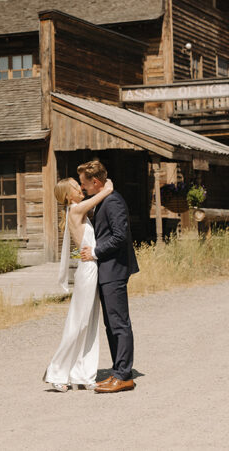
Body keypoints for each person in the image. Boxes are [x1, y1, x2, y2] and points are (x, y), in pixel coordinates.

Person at [43, 176, 115, 392]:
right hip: (88, 271)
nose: (80, 187)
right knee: (80, 321)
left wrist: (84, 253)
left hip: (91, 265)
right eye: (76, 186)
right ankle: (56, 370)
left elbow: (81, 243)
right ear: (68, 195)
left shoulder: (79, 211)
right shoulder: (75, 209)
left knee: (90, 322)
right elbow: (103, 194)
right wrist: (108, 186)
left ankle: (83, 373)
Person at [78, 159, 140, 394]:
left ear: (95, 182)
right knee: (110, 324)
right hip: (106, 270)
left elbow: (119, 237)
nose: (83, 189)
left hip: (114, 268)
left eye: (84, 185)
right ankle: (118, 371)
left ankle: (124, 376)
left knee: (119, 323)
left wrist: (94, 252)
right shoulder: (104, 198)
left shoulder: (113, 201)